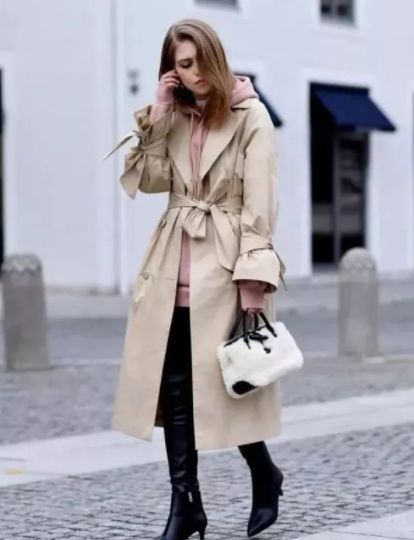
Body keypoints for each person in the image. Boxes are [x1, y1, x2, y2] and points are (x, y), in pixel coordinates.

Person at [106, 18, 286, 540]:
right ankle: (186, 507)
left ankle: (264, 474)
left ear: (216, 57)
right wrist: (159, 113)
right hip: (171, 267)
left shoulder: (251, 116)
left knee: (231, 385)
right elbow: (149, 179)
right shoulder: (177, 115)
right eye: (182, 66)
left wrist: (253, 281)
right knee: (177, 391)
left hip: (226, 269)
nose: (194, 73)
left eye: (199, 61)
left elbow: (260, 205)